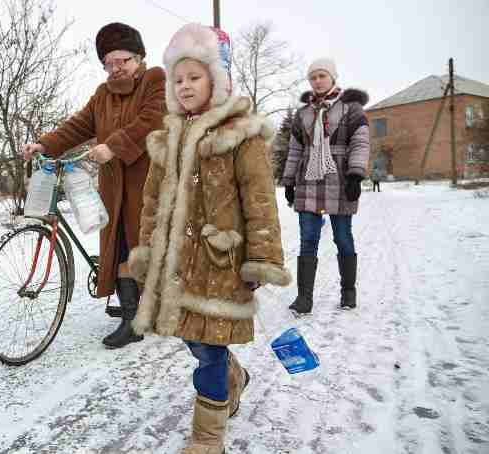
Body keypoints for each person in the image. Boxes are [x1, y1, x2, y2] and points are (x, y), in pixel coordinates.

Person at [127, 24, 291, 453]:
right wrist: (145, 250)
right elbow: (150, 201)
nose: (184, 87)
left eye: (194, 77)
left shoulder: (242, 135)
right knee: (195, 342)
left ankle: (207, 438)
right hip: (178, 266)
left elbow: (259, 201)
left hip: (222, 263)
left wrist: (262, 257)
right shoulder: (167, 137)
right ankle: (234, 377)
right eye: (177, 79)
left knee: (211, 352)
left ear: (217, 80)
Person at [22, 23, 167, 349]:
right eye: (109, 63)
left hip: (149, 181)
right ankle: (133, 314)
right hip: (114, 185)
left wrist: (113, 145)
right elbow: (80, 125)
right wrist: (45, 145)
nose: (116, 68)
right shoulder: (102, 95)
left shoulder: (156, 80)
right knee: (117, 244)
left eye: (123, 61)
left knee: (140, 243)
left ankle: (142, 315)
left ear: (139, 57)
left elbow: (152, 119)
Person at [281, 58, 370, 314]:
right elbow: (295, 149)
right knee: (308, 238)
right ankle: (304, 298)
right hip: (308, 180)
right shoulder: (304, 114)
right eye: (313, 77)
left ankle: (348, 292)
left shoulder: (351, 108)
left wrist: (355, 174)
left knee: (343, 237)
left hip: (340, 179)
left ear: (333, 77)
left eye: (322, 75)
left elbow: (360, 142)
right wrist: (288, 181)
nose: (317, 81)